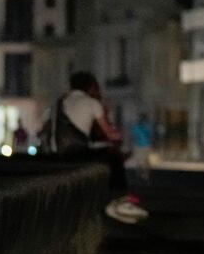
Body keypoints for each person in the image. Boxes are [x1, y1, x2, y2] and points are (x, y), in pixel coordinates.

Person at [52, 72, 147, 224]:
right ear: (91, 87)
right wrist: (119, 136)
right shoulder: (91, 103)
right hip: (77, 153)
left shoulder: (60, 101)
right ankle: (119, 201)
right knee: (113, 155)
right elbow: (111, 134)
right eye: (96, 87)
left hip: (57, 153)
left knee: (106, 152)